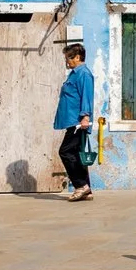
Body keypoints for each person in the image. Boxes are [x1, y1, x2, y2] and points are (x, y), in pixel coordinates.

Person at [53, 41, 96, 201]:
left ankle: (80, 185)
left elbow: (87, 96)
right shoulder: (74, 74)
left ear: (77, 57)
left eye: (69, 58)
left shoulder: (84, 74)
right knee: (77, 155)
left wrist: (85, 116)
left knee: (65, 152)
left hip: (78, 122)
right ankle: (87, 190)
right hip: (72, 121)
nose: (67, 62)